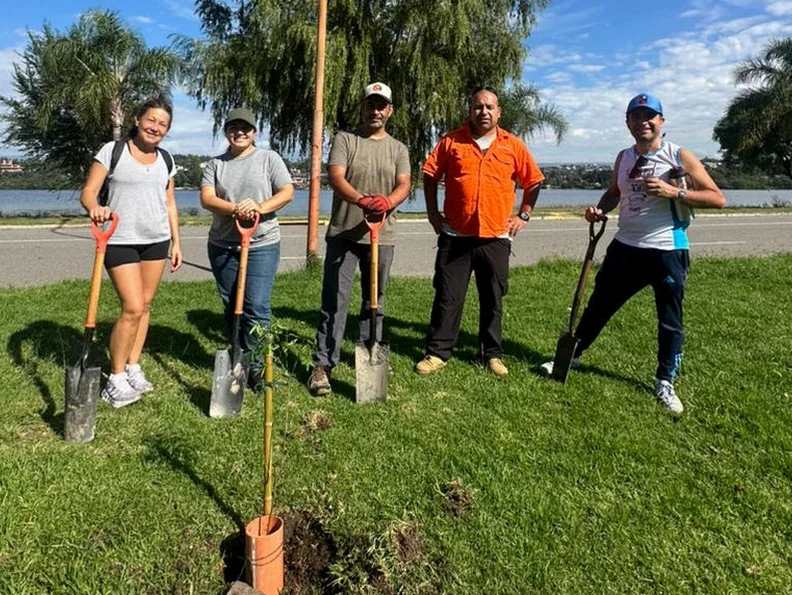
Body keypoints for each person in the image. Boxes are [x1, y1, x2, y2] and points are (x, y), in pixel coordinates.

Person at [539, 93, 726, 415]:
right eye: (636, 117)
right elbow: (614, 192)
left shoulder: (678, 155)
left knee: (669, 320)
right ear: (628, 123)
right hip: (625, 247)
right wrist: (600, 209)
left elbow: (717, 198)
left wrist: (674, 191)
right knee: (599, 306)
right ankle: (572, 357)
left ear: (661, 121)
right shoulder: (623, 157)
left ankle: (664, 381)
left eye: (649, 116)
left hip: (667, 249)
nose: (643, 122)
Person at [415, 86, 544, 378]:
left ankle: (492, 354)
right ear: (470, 110)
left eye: (489, 107)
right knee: (448, 296)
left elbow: (533, 181)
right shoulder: (451, 141)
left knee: (493, 298)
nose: (483, 112)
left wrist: (523, 214)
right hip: (455, 236)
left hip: (496, 236)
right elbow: (430, 174)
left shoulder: (513, 145)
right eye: (478, 107)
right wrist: (434, 213)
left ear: (498, 112)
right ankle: (437, 353)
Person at [307, 82, 412, 396]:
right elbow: (336, 177)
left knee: (374, 301)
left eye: (382, 106)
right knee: (334, 302)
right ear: (363, 108)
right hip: (344, 232)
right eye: (371, 105)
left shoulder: (399, 149)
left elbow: (404, 184)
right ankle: (323, 365)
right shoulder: (345, 139)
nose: (375, 111)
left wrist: (389, 201)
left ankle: (370, 351)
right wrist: (362, 200)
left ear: (390, 111)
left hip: (383, 236)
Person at [80, 97, 182, 408]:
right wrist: (94, 208)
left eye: (163, 124)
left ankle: (133, 366)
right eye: (151, 120)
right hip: (119, 238)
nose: (156, 127)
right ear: (138, 119)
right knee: (132, 307)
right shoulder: (113, 151)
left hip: (156, 239)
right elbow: (88, 191)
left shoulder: (166, 159)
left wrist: (176, 242)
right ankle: (115, 377)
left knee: (146, 305)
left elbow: (169, 203)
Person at [200, 108, 295, 390]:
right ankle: (237, 357)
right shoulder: (215, 164)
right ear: (226, 131)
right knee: (232, 305)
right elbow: (207, 198)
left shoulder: (269, 159)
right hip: (222, 244)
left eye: (246, 128)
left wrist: (259, 208)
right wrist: (236, 209)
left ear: (254, 132)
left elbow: (287, 191)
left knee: (256, 305)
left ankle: (257, 366)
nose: (240, 132)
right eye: (233, 127)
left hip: (262, 243)